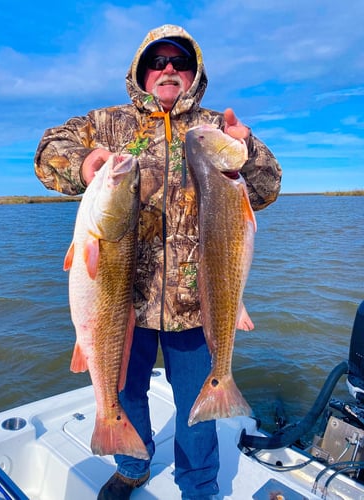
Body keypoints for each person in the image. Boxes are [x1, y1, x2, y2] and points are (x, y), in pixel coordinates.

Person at [34, 24, 282, 500]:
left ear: (194, 73)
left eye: (179, 62)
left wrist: (247, 148)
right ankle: (132, 466)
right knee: (125, 393)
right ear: (140, 72)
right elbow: (47, 152)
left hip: (196, 305)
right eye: (157, 61)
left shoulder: (215, 129)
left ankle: (199, 485)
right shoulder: (108, 123)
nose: (168, 69)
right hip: (122, 303)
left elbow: (267, 189)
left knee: (197, 407)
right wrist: (85, 165)